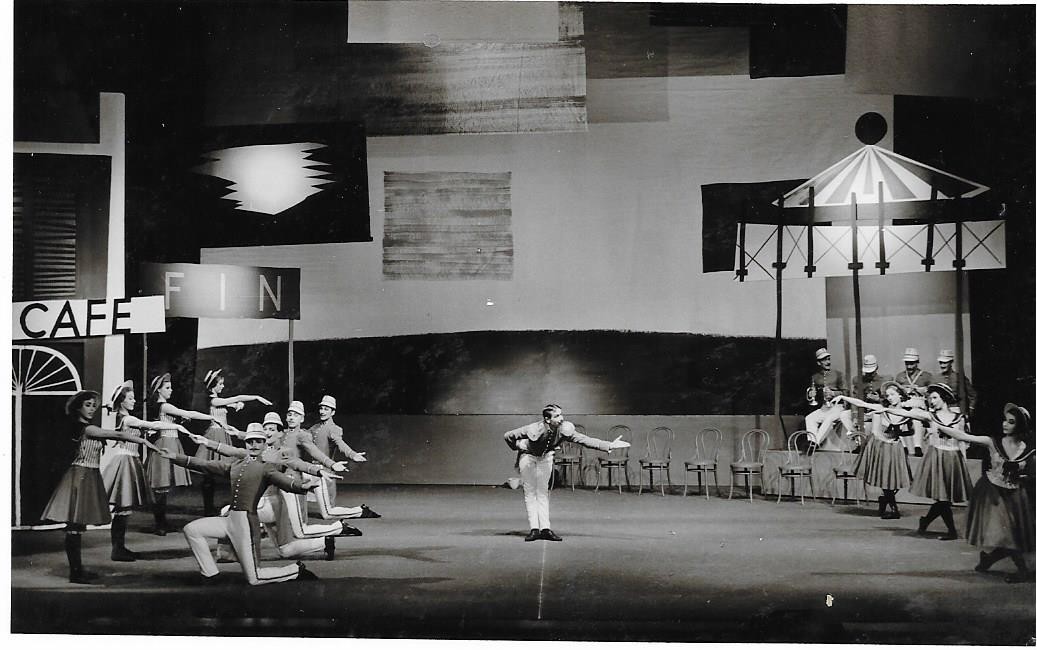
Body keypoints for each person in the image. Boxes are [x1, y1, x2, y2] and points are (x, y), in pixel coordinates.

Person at [157, 427, 321, 585]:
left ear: (264, 444)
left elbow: (284, 482)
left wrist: (302, 486)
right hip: (229, 520)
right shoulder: (235, 465)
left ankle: (296, 570)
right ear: (246, 443)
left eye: (258, 441)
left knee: (254, 578)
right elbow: (204, 464)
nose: (254, 445)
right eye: (250, 441)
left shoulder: (266, 467)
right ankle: (210, 574)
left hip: (246, 524)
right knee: (191, 529)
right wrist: (174, 456)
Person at [41, 390, 161, 583]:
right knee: (75, 525)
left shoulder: (87, 427)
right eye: (87, 405)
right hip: (81, 476)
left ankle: (77, 570)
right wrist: (143, 441)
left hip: (89, 475)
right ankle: (76, 572)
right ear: (78, 407)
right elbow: (116, 434)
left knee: (77, 525)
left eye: (93, 406)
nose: (91, 409)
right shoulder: (87, 429)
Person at [190, 423, 356, 562]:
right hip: (270, 506)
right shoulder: (252, 453)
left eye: (271, 429)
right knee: (285, 550)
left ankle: (227, 554)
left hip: (271, 504)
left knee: (228, 512)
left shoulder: (281, 453)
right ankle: (325, 542)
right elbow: (231, 450)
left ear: (278, 433)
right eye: (265, 429)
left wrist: (322, 469)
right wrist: (206, 442)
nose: (268, 432)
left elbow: (299, 463)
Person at [926, 403, 1033, 583]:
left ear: (1020, 425)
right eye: (1005, 420)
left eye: (1011, 422)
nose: (1005, 424)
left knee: (1012, 535)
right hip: (993, 493)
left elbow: (1031, 473)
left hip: (1015, 495)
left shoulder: (1027, 449)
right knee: (1007, 534)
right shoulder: (993, 442)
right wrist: (937, 424)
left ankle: (988, 559)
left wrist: (1021, 474)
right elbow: (963, 436)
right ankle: (1023, 571)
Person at [503, 404, 630, 542]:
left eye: (561, 414)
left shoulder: (563, 429)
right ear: (547, 419)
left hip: (545, 458)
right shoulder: (533, 428)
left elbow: (583, 439)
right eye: (557, 415)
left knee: (543, 492)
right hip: (528, 457)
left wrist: (608, 445)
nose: (561, 418)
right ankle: (534, 529)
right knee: (530, 492)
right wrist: (517, 445)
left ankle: (545, 529)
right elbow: (508, 436)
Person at [102, 380, 192, 561]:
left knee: (124, 508)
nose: (134, 401)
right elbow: (153, 425)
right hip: (125, 460)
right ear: (121, 402)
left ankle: (119, 548)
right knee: (122, 507)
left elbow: (142, 431)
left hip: (131, 459)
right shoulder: (128, 419)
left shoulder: (127, 418)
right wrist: (176, 426)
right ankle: (117, 549)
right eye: (130, 398)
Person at [886, 383, 973, 540]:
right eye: (930, 398)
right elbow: (906, 413)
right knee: (943, 498)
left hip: (953, 458)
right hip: (937, 457)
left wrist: (964, 461)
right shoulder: (931, 416)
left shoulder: (959, 418)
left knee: (945, 498)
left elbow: (962, 441)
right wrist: (883, 409)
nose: (931, 401)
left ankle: (926, 521)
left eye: (934, 398)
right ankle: (951, 531)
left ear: (944, 398)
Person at [145, 372, 223, 536]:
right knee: (161, 484)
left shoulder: (165, 407)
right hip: (165, 442)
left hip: (172, 442)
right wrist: (210, 417)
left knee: (165, 485)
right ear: (159, 390)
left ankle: (162, 523)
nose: (171, 390)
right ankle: (160, 524)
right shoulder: (164, 406)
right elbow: (188, 413)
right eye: (167, 388)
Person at [197, 368, 273, 516]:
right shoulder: (214, 400)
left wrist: (238, 405)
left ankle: (219, 506)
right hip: (215, 435)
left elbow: (233, 403)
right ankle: (208, 508)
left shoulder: (218, 401)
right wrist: (255, 397)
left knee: (220, 471)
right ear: (213, 386)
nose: (223, 386)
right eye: (220, 384)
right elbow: (235, 398)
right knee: (209, 472)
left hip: (222, 434)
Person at [835, 382, 914, 519]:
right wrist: (843, 397)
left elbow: (911, 431)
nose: (890, 398)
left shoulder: (905, 413)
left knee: (894, 480)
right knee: (885, 480)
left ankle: (884, 500)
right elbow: (861, 403)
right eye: (887, 395)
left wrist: (898, 432)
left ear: (900, 396)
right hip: (880, 446)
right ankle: (894, 510)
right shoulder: (881, 408)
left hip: (895, 447)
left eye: (892, 394)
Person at [307, 395, 379, 520]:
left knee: (327, 513)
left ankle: (360, 511)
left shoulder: (333, 429)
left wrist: (352, 454)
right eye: (321, 408)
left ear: (333, 412)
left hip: (325, 471)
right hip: (311, 470)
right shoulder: (315, 427)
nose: (322, 411)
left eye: (326, 409)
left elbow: (340, 444)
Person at [804, 348, 855, 449]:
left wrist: (833, 393)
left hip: (838, 407)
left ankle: (815, 444)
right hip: (824, 408)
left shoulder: (838, 374)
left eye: (828, 359)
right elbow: (813, 395)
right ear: (819, 363)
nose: (828, 362)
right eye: (824, 360)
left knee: (829, 419)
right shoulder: (815, 377)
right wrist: (810, 395)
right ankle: (811, 441)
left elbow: (846, 392)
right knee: (809, 418)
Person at [893, 347, 932, 457]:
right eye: (907, 363)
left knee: (916, 418)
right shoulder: (900, 376)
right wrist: (903, 391)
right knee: (896, 417)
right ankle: (903, 446)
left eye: (912, 363)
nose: (909, 366)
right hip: (905, 404)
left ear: (917, 362)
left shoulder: (926, 376)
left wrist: (922, 391)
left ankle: (917, 446)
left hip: (919, 405)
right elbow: (895, 393)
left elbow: (933, 394)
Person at [935, 349, 978, 420]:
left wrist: (970, 409)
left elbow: (973, 395)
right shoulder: (935, 378)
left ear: (951, 362)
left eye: (945, 363)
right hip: (940, 412)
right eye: (940, 363)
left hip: (956, 410)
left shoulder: (959, 377)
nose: (942, 365)